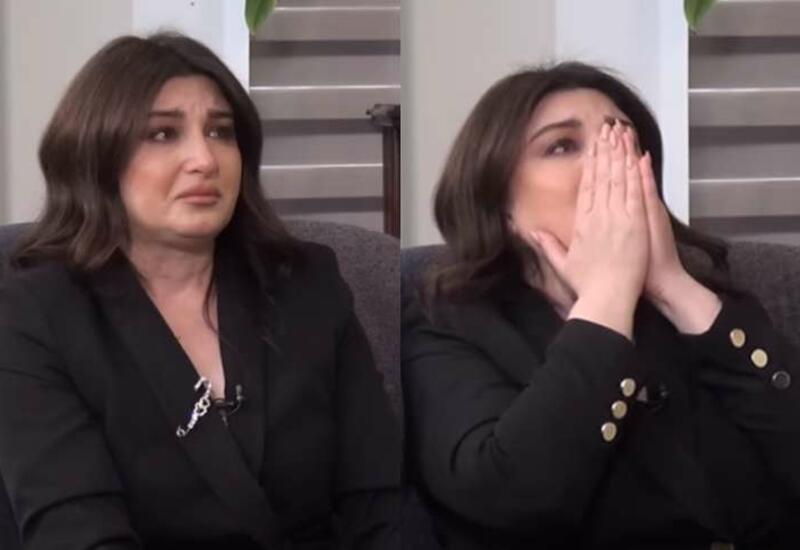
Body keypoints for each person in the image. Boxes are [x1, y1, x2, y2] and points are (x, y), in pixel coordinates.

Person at [0, 33, 402, 549]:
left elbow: (379, 500)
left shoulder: (307, 283)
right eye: (163, 134)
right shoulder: (33, 313)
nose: (205, 159)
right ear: (96, 155)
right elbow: (77, 532)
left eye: (221, 132)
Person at [402, 62, 800, 549]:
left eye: (621, 138)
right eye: (562, 146)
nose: (607, 164)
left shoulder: (711, 294)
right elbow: (507, 498)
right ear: (500, 202)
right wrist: (606, 296)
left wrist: (675, 287)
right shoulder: (443, 318)